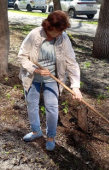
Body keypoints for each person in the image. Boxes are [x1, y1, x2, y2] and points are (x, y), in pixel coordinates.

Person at [17, 10, 83, 151]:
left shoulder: (63, 38)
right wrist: (36, 70)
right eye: (57, 31)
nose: (60, 34)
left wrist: (75, 86)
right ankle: (36, 131)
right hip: (33, 76)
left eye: (62, 31)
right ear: (48, 27)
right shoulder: (35, 34)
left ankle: (51, 137)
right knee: (32, 103)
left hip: (53, 78)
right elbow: (22, 56)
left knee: (52, 107)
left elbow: (71, 62)